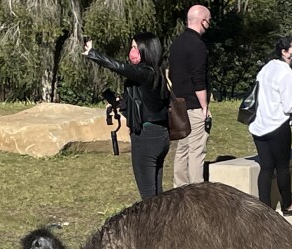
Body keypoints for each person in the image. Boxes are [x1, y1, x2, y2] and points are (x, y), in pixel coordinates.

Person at [84, 33, 170, 200]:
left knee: (148, 198)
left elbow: (121, 67)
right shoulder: (157, 73)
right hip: (160, 135)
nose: (132, 52)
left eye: (135, 48)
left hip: (146, 138)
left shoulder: (146, 72)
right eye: (132, 47)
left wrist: (93, 53)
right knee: (157, 194)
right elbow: (145, 102)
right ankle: (162, 224)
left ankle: (152, 225)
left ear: (147, 50)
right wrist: (121, 103)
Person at [249, 35, 292, 215]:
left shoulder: (267, 68)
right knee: (282, 167)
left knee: (266, 167)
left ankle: (265, 210)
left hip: (258, 125)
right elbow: (288, 107)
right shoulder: (288, 74)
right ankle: (288, 205)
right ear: (284, 52)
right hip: (277, 126)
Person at [168, 4, 211, 187]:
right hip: (194, 106)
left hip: (178, 104)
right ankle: (197, 192)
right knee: (196, 150)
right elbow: (199, 81)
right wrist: (205, 108)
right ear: (203, 21)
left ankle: (180, 188)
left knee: (182, 149)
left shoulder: (176, 43)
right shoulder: (198, 46)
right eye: (209, 21)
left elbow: (171, 74)